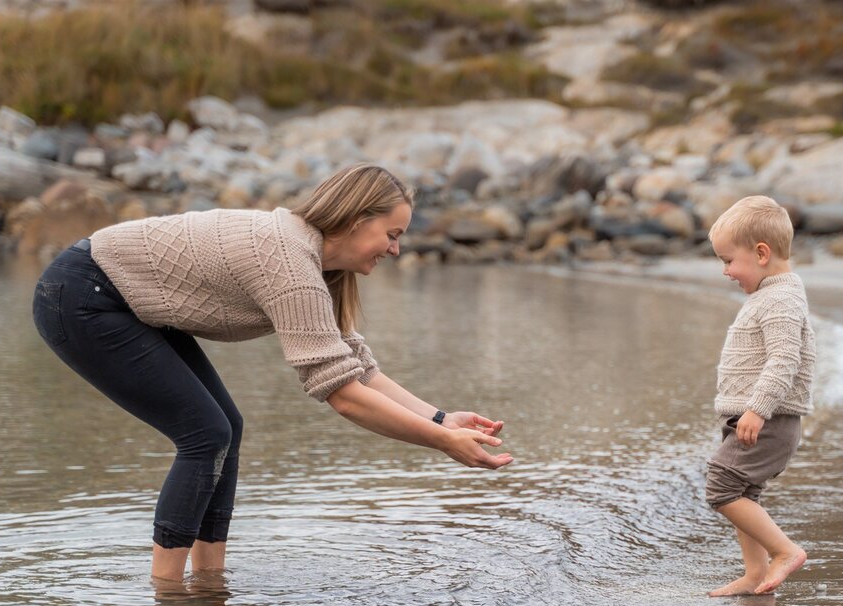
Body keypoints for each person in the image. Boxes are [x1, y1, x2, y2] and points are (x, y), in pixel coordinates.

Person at [32, 164, 512, 582]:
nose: (396, 250)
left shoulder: (316, 263)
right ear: (355, 220)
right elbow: (343, 396)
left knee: (224, 429)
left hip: (122, 298)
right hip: (82, 296)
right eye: (393, 234)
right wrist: (440, 443)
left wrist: (441, 420)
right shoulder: (288, 260)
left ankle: (209, 581)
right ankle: (170, 597)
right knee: (205, 433)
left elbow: (358, 369)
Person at [705, 195, 815, 596]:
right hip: (754, 417)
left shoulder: (781, 300)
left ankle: (784, 551)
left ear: (762, 254)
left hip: (768, 419)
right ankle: (755, 572)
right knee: (743, 492)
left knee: (721, 487)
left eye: (729, 260)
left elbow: (784, 360)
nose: (725, 271)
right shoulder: (773, 294)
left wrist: (757, 409)